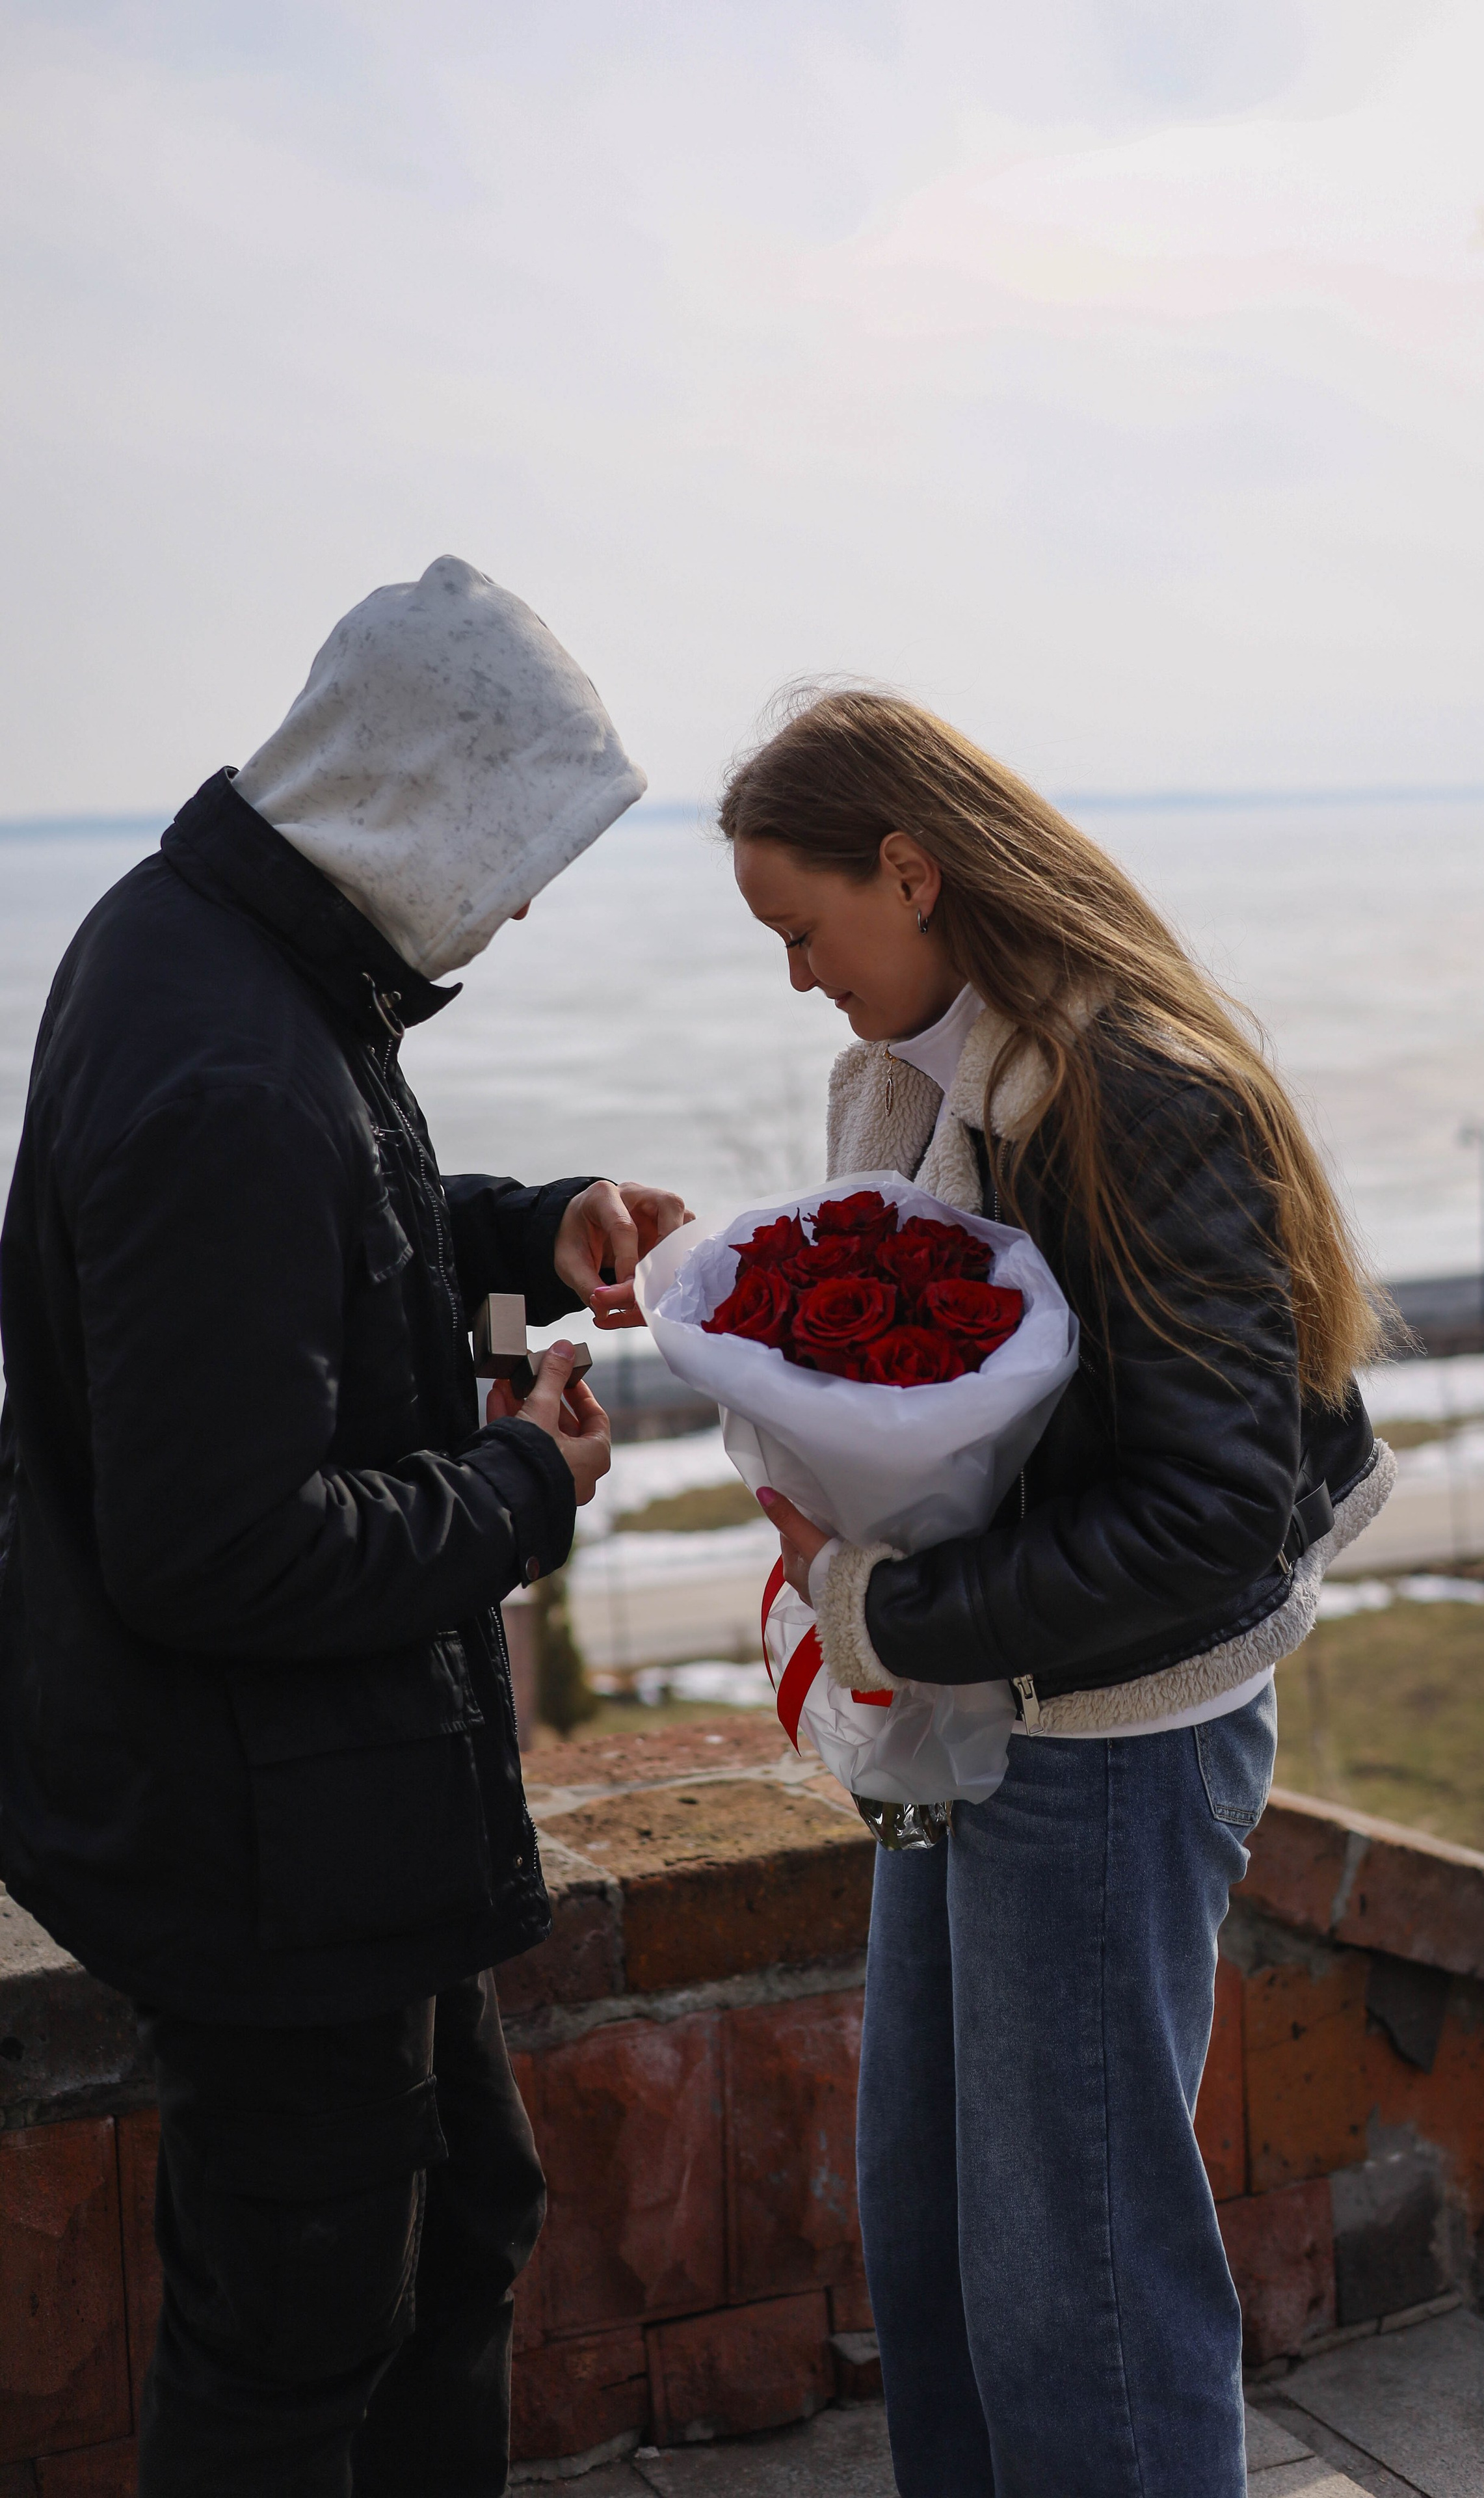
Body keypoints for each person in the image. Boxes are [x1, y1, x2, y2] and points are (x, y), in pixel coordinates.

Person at [0, 556, 687, 2497]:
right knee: (295, 2340)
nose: (523, 902)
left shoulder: (218, 950)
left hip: (320, 1807)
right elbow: (219, 1549)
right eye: (515, 849)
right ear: (421, 798)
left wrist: (527, 1228)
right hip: (261, 1840)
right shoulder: (230, 1058)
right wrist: (523, 1488)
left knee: (458, 2223)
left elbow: (310, 1241)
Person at [723, 690, 1396, 2498]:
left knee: (1078, 2281)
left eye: (803, 929)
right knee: (938, 2232)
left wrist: (883, 1613)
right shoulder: (921, 1075)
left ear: (910, 869)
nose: (796, 977)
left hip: (1111, 1743)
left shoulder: (1137, 1095)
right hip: (977, 1712)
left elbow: (1209, 1514)